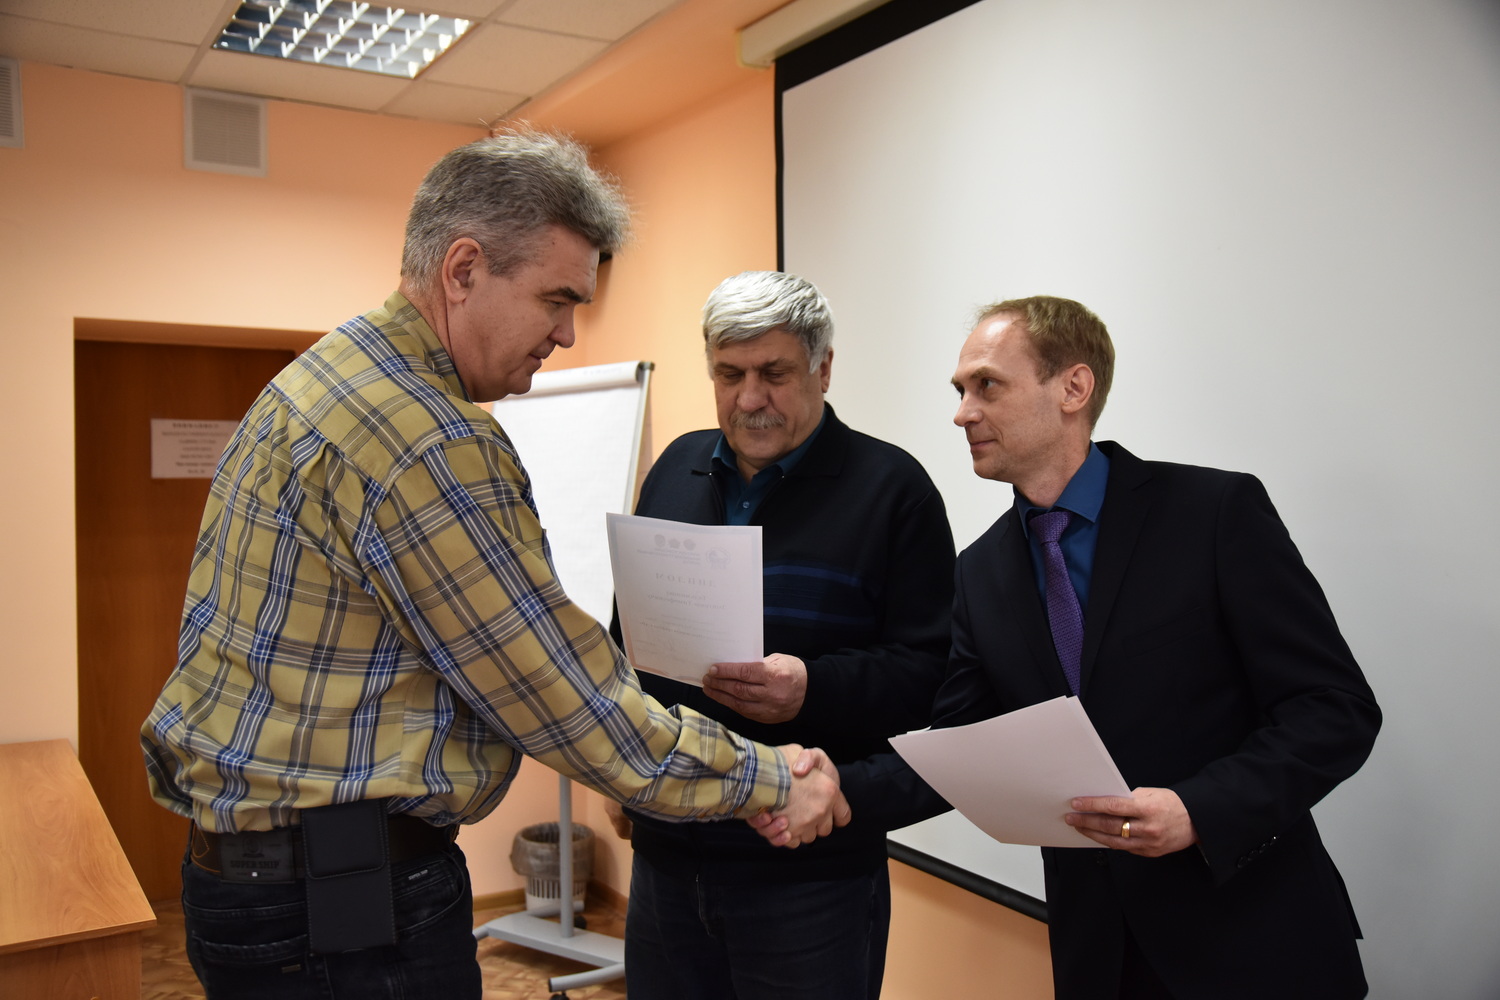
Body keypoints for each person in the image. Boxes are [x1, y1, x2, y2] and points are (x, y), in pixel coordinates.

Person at [140, 131, 847, 1000]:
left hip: (262, 886)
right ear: (464, 270)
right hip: (341, 914)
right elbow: (561, 698)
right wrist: (770, 778)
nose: (567, 333)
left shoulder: (323, 376)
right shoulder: (426, 437)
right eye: (556, 298)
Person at [761, 295, 1381, 999]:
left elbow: (1333, 708)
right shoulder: (980, 572)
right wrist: (835, 786)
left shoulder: (1213, 514)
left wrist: (1199, 810)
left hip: (1255, 943)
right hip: (1100, 956)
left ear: (1073, 388)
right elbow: (963, 750)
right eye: (960, 391)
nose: (963, 413)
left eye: (987, 385)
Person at [606, 270, 956, 1000]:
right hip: (667, 856)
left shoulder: (893, 489)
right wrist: (618, 767)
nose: (749, 398)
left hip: (810, 872)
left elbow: (929, 674)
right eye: (729, 374)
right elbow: (625, 638)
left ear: (823, 369)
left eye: (774, 373)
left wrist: (811, 689)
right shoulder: (675, 468)